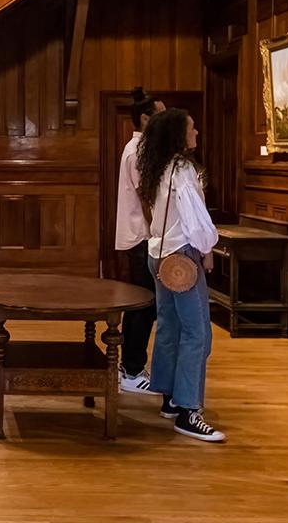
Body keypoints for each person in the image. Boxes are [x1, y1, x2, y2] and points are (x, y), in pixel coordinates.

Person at [136, 107, 225, 443]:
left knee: (169, 325)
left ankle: (170, 397)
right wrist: (207, 249)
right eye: (192, 128)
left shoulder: (156, 168)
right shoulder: (184, 170)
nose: (196, 133)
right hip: (181, 257)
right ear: (178, 134)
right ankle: (188, 411)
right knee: (197, 331)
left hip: (157, 254)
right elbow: (196, 220)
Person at [115, 86, 164, 393]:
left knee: (144, 305)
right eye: (160, 115)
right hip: (141, 238)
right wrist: (158, 236)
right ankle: (131, 370)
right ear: (145, 119)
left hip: (142, 237)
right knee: (143, 305)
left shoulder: (142, 149)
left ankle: (130, 366)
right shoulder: (139, 152)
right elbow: (147, 199)